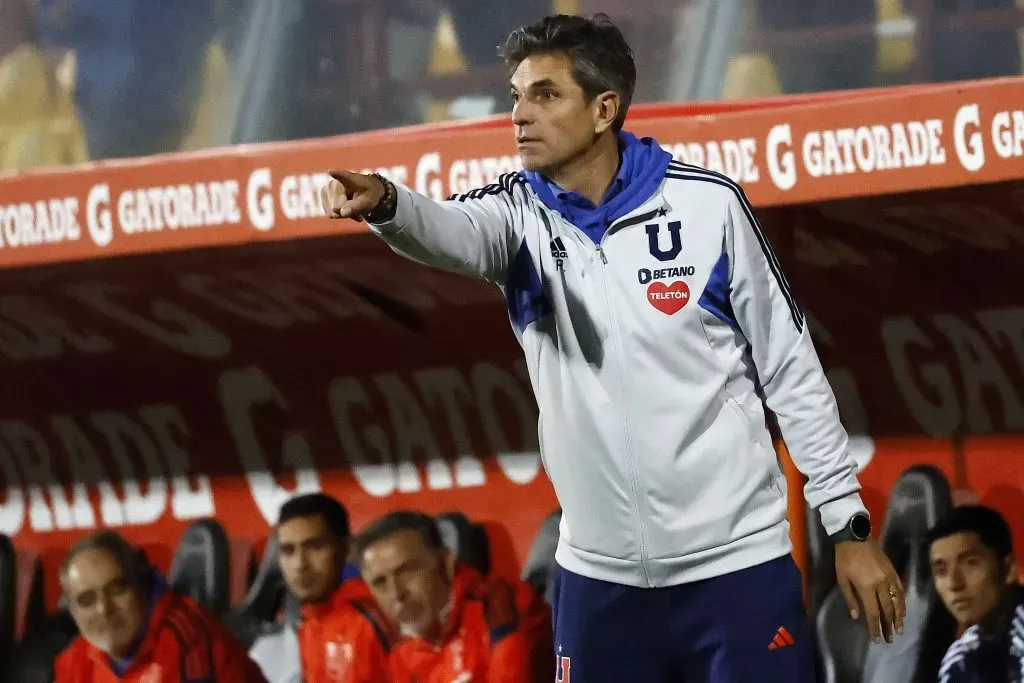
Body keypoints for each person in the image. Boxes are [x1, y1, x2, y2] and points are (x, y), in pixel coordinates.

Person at [320, 13, 905, 682]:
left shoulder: (708, 208)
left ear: (604, 108)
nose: (519, 114)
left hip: (736, 569)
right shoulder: (515, 218)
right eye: (515, 96)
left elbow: (792, 369)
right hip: (602, 585)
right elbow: (447, 227)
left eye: (545, 94)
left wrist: (849, 528)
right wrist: (388, 203)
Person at [355, 511, 553, 683]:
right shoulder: (401, 658)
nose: (396, 594)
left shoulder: (502, 609)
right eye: (380, 582)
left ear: (447, 564)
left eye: (407, 571)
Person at [54, 531, 267, 683]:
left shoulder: (188, 642)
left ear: (141, 585)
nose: (104, 609)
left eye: (117, 589)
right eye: (86, 600)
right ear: (72, 610)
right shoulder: (74, 663)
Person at [272, 492, 391, 682]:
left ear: (346, 547)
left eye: (315, 547)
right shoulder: (308, 623)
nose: (300, 565)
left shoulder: (377, 615)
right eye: (288, 551)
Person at [928, 505, 1023, 682]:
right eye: (941, 571)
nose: (954, 584)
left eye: (970, 563)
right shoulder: (960, 658)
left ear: (1009, 569)